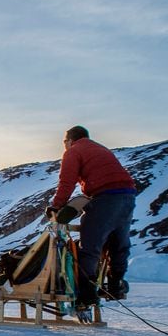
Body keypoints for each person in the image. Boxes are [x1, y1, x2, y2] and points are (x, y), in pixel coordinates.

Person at [46, 125, 136, 309]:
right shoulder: (101, 149)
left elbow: (67, 181)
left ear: (70, 140)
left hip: (105, 197)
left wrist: (56, 205)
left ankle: (87, 294)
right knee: (118, 242)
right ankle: (115, 284)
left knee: (90, 244)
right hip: (127, 196)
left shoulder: (74, 151)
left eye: (64, 142)